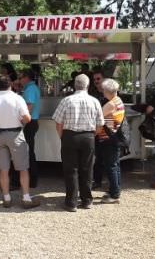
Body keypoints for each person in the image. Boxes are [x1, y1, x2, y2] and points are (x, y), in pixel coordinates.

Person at [0, 75, 40, 209]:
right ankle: (26, 198)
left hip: (0, 135)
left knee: (4, 169)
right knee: (22, 168)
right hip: (15, 134)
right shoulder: (17, 98)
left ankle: (7, 198)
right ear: (10, 85)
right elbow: (27, 118)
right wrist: (20, 122)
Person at [52, 74, 104, 212]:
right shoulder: (95, 101)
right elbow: (100, 124)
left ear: (75, 85)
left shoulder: (66, 100)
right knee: (87, 169)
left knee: (71, 170)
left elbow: (58, 122)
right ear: (87, 86)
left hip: (70, 136)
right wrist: (93, 134)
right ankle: (87, 200)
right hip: (88, 136)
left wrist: (62, 136)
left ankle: (71, 202)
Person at [96, 78, 125, 203]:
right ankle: (115, 189)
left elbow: (97, 117)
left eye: (103, 90)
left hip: (108, 138)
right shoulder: (118, 100)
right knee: (115, 165)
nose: (102, 92)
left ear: (107, 91)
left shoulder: (110, 104)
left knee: (111, 166)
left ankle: (114, 194)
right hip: (114, 137)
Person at [11, 69, 41, 189]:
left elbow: (28, 108)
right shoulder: (31, 88)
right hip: (32, 123)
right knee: (28, 152)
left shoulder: (29, 89)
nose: (19, 80)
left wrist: (19, 123)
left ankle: (23, 181)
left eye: (20, 77)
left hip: (28, 123)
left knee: (23, 152)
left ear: (26, 77)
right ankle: (31, 180)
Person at [92, 68, 107, 189]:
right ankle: (97, 181)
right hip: (97, 129)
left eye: (98, 79)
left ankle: (111, 182)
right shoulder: (92, 93)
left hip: (108, 129)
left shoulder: (110, 93)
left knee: (109, 157)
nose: (96, 81)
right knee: (98, 156)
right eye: (94, 79)